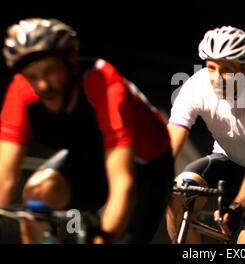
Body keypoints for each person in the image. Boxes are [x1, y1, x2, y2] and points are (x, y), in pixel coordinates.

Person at [0, 18, 174, 243]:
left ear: (71, 60)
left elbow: (124, 183)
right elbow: (5, 178)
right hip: (88, 158)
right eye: (33, 76)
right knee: (37, 193)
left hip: (144, 168)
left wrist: (104, 237)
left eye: (50, 70)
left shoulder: (105, 84)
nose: (43, 85)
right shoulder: (21, 90)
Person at [165, 26, 245, 244]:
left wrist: (238, 208)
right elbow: (169, 145)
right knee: (176, 196)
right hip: (226, 159)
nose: (217, 78)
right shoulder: (195, 86)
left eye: (227, 70)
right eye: (211, 67)